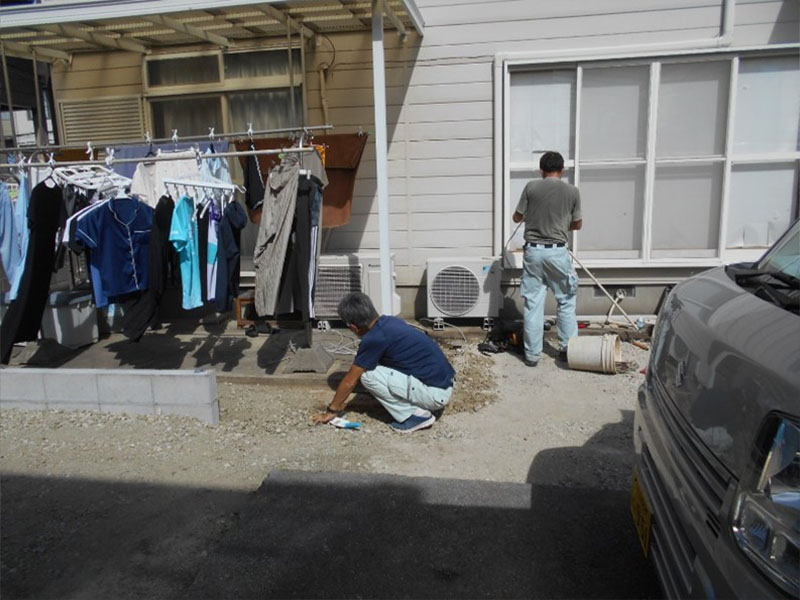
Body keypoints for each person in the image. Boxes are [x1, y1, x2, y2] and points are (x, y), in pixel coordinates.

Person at [311, 292, 455, 433]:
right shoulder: (390, 321)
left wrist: (332, 410)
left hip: (435, 395)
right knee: (377, 367)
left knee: (368, 376)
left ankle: (415, 416)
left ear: (353, 327)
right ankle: (418, 405)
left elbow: (350, 381)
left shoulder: (374, 339)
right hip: (445, 383)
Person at [513, 150, 582, 366]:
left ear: (541, 170)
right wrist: (562, 224)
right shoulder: (572, 191)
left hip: (533, 252)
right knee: (566, 301)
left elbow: (517, 217)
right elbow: (578, 224)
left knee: (533, 304)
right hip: (557, 252)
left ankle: (532, 355)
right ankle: (569, 351)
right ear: (562, 170)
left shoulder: (531, 187)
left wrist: (532, 215)